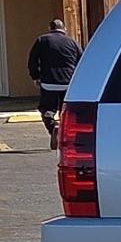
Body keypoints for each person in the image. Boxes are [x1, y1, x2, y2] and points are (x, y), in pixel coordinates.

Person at [28, 19, 83, 150]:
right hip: (68, 82)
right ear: (64, 29)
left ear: (50, 28)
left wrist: (35, 77)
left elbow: (32, 61)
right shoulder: (72, 42)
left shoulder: (42, 40)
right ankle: (66, 137)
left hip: (49, 82)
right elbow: (81, 61)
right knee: (66, 110)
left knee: (47, 109)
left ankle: (53, 127)